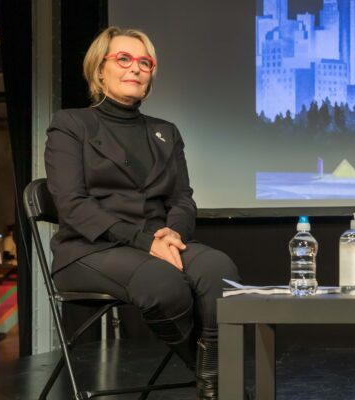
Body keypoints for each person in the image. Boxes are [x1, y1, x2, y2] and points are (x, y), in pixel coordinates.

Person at [44, 26, 240, 400]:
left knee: (220, 270)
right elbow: (72, 205)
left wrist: (173, 233)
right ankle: (216, 380)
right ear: (99, 69)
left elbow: (182, 199)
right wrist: (143, 241)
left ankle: (212, 378)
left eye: (144, 62)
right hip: (90, 249)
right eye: (123, 59)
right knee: (162, 283)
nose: (135, 68)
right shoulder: (71, 125)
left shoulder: (166, 132)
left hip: (156, 242)